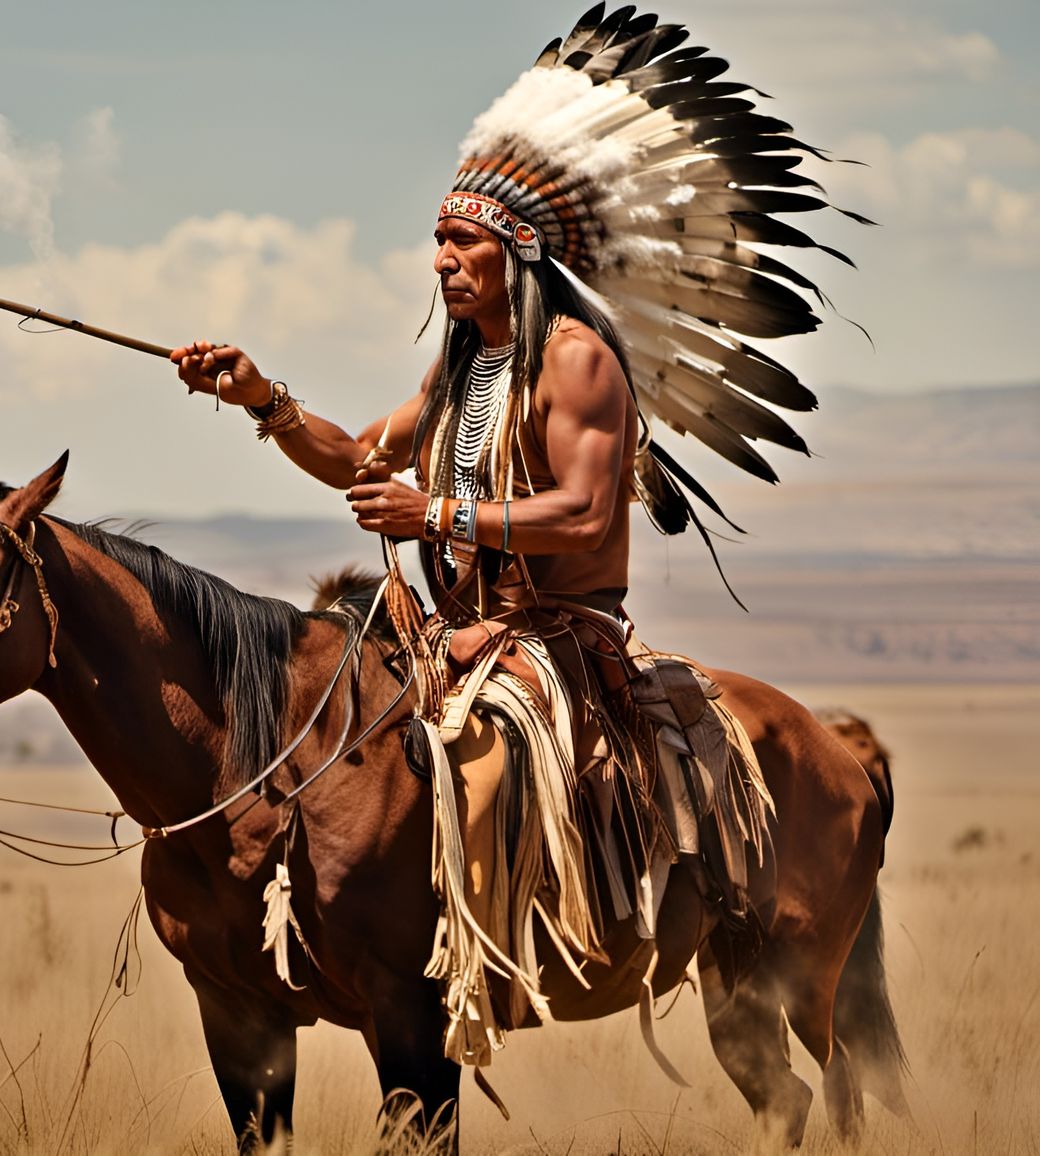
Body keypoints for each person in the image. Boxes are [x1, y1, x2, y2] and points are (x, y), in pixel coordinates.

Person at [169, 3, 856, 1063]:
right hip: (448, 628)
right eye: (436, 241)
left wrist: (433, 511)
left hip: (554, 638)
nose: (440, 260)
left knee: (482, 766)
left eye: (461, 241)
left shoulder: (576, 361)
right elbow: (358, 453)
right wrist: (260, 398)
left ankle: (488, 961)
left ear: (516, 249)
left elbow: (583, 511)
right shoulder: (460, 371)